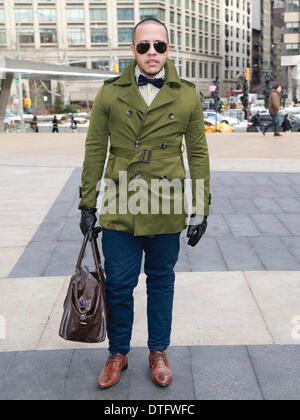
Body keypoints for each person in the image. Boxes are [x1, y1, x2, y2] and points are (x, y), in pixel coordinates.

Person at [78, 18, 211, 389]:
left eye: (159, 46)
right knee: (118, 285)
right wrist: (88, 204)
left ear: (169, 49)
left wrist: (200, 207)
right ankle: (117, 352)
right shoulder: (109, 93)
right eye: (143, 46)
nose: (152, 53)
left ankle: (158, 352)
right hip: (121, 200)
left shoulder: (186, 94)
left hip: (166, 204)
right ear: (132, 50)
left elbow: (198, 153)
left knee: (161, 283)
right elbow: (94, 150)